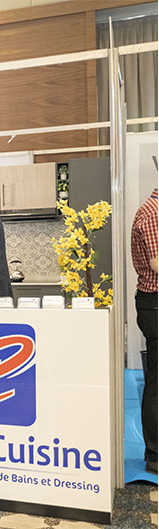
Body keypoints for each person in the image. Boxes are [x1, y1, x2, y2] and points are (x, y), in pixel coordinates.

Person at [131, 188, 157, 474]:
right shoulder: (153, 214)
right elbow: (156, 263)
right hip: (154, 303)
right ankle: (155, 455)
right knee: (156, 381)